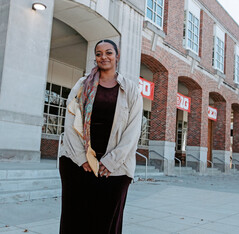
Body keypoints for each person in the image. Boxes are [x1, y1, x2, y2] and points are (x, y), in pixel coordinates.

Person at [58, 39, 143, 234]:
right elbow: (70, 123)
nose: (103, 57)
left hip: (115, 169)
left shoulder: (130, 89)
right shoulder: (82, 84)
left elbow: (133, 131)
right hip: (78, 164)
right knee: (75, 223)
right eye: (98, 53)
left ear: (117, 55)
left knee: (105, 224)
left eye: (108, 52)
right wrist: (82, 159)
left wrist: (111, 162)